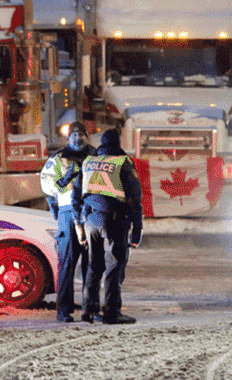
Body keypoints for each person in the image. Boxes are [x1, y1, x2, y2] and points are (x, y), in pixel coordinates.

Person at [73, 128, 143, 325]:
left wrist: (79, 225)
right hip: (114, 220)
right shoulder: (122, 163)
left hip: (90, 221)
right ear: (117, 143)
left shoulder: (88, 163)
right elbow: (134, 200)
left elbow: (76, 197)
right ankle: (112, 313)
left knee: (93, 266)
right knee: (114, 266)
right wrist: (137, 230)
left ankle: (88, 311)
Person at [40, 121, 95, 323]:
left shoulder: (97, 156)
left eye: (81, 134)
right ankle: (64, 310)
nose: (77, 138)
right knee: (67, 263)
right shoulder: (57, 158)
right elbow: (46, 183)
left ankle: (91, 309)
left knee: (92, 265)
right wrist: (62, 182)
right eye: (73, 134)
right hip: (68, 213)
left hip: (91, 213)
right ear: (67, 137)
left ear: (87, 136)